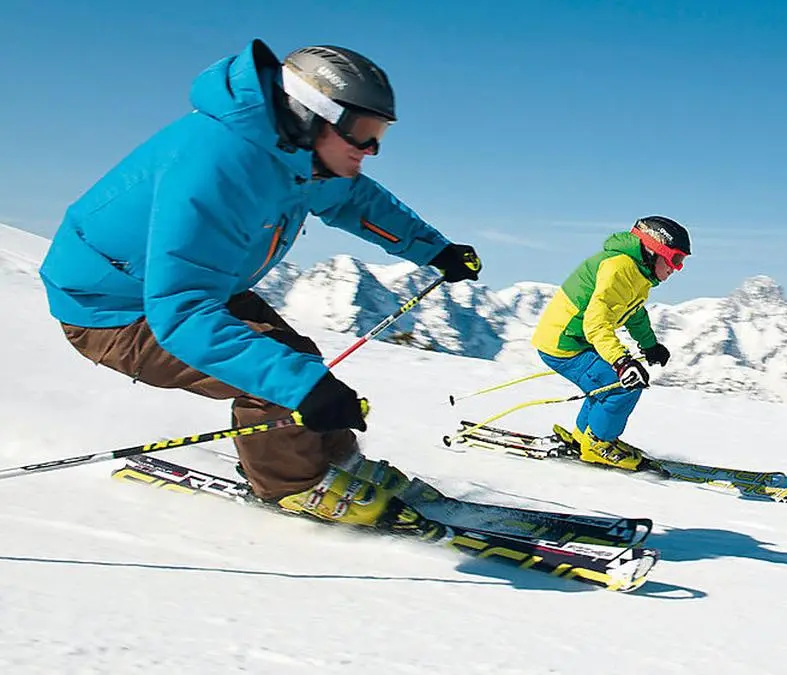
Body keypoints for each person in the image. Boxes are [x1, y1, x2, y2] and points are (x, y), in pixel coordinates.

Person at [38, 40, 480, 528]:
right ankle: (293, 484)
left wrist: (432, 249)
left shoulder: (294, 151)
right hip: (112, 310)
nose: (371, 148)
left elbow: (353, 199)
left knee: (295, 360)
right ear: (310, 113)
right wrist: (301, 385)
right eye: (361, 132)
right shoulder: (215, 170)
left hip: (191, 286)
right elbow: (180, 314)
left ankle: (335, 461)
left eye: (380, 133)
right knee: (281, 376)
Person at [530, 216, 691, 470]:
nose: (676, 268)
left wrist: (649, 345)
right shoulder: (619, 268)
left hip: (575, 338)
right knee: (622, 386)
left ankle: (586, 438)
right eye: (675, 259)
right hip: (565, 343)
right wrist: (621, 362)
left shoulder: (636, 272)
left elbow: (634, 314)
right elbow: (596, 323)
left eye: (681, 262)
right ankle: (599, 444)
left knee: (604, 386)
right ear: (653, 250)